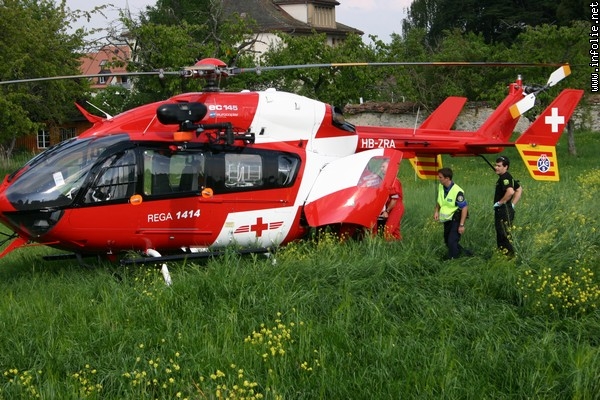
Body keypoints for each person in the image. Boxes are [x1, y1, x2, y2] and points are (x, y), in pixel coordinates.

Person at [434, 167, 469, 259]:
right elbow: (440, 200)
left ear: (447, 178)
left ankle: (453, 260)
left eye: (440, 177)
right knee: (447, 241)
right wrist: (436, 211)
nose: (438, 179)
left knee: (452, 241)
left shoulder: (457, 191)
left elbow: (464, 207)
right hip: (447, 219)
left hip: (456, 218)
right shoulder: (441, 187)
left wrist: (461, 225)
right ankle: (466, 254)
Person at [493, 155, 522, 257]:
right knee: (502, 234)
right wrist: (513, 204)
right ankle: (503, 256)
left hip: (503, 210)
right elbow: (519, 189)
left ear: (506, 167)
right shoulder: (507, 177)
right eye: (496, 165)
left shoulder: (505, 177)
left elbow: (510, 191)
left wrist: (500, 202)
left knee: (504, 235)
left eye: (499, 166)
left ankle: (509, 257)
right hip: (506, 209)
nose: (496, 167)